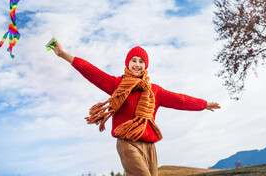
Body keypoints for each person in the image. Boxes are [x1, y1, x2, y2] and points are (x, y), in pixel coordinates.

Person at [52, 41, 221, 176]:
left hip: (149, 147)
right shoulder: (117, 85)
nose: (137, 64)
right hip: (127, 143)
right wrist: (64, 54)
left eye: (141, 61)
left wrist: (204, 104)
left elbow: (180, 100)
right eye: (134, 60)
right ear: (128, 63)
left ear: (145, 66)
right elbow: (91, 71)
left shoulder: (155, 91)